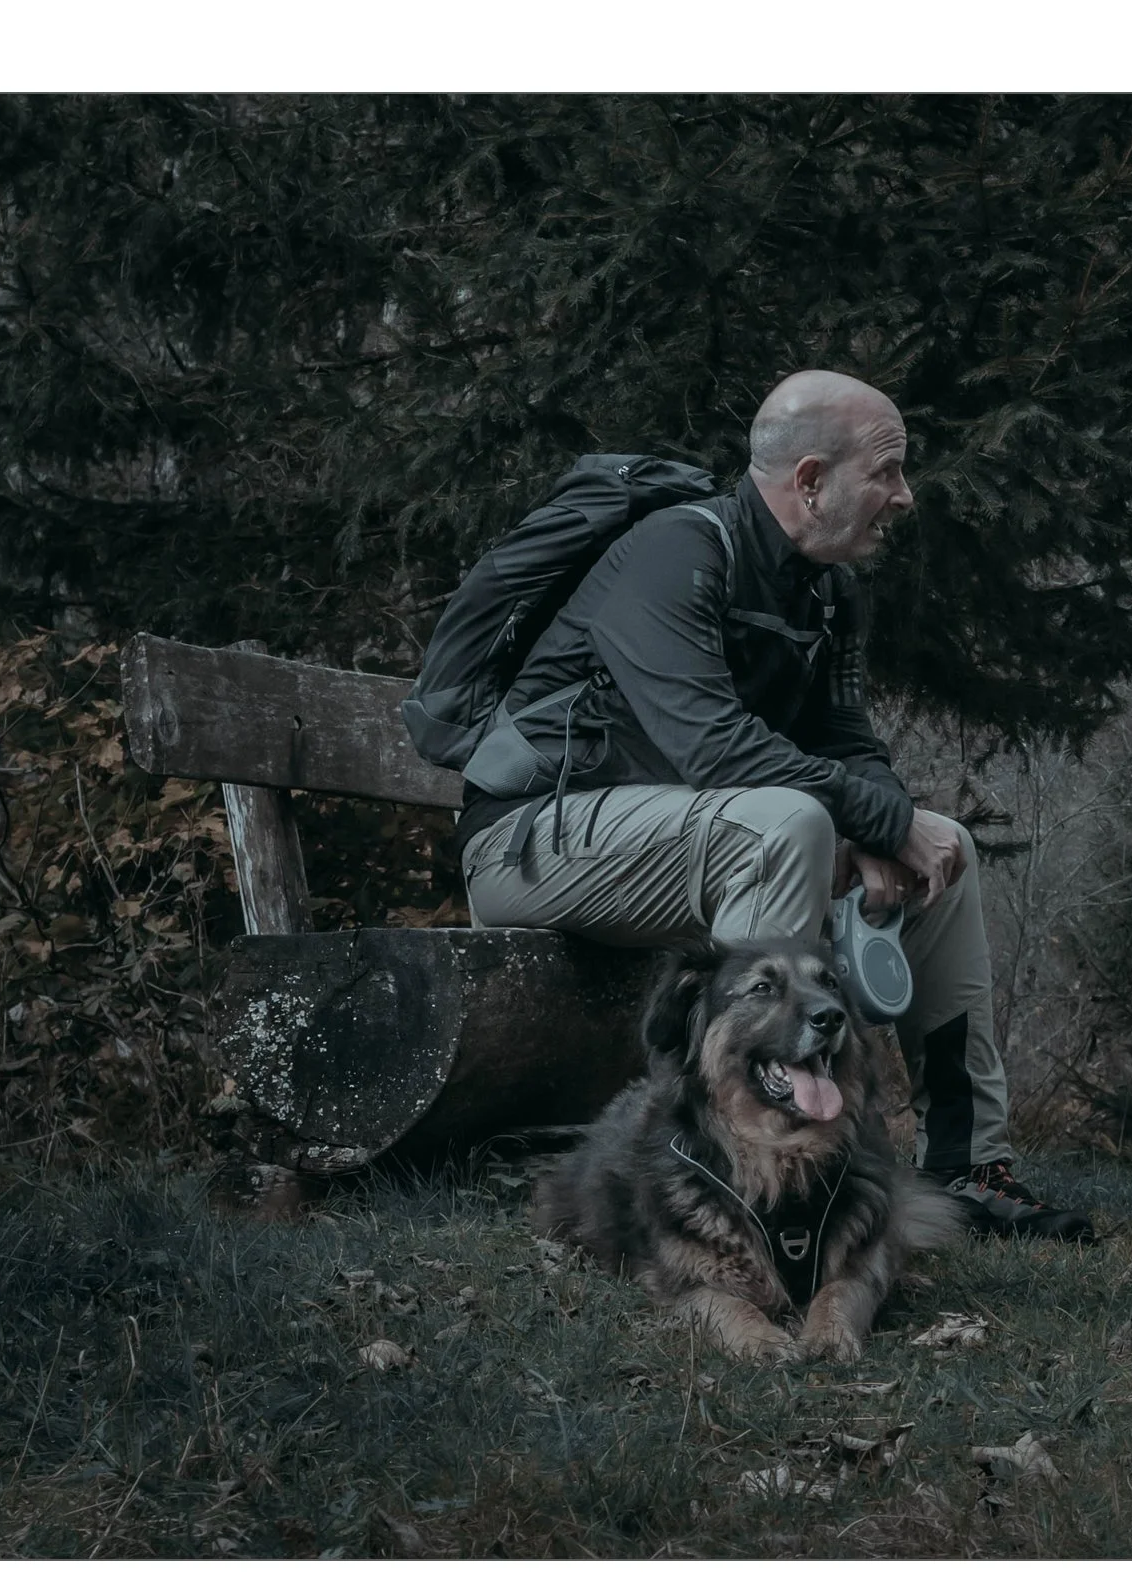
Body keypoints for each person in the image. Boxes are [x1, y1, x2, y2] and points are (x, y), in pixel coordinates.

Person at [456, 370, 1091, 1239]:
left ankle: (970, 1167)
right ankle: (731, 1173)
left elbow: (849, 742)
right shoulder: (675, 551)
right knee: (789, 822)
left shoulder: (825, 591)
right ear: (810, 480)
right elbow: (713, 747)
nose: (904, 497)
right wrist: (880, 819)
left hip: (681, 844)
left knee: (942, 856)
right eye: (889, 472)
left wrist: (890, 831)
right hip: (536, 840)